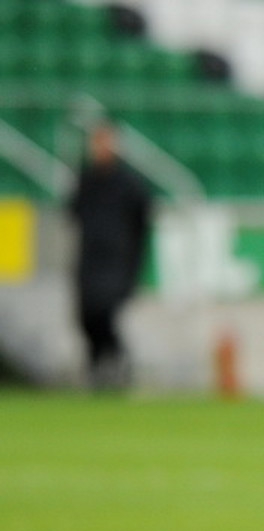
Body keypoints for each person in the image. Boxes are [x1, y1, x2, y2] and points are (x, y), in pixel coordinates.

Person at [68, 120, 152, 390]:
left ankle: (116, 359)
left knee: (105, 311)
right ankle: (97, 366)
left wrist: (134, 264)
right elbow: (72, 212)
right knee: (85, 316)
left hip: (117, 260)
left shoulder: (129, 184)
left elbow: (142, 222)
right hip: (89, 259)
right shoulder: (86, 180)